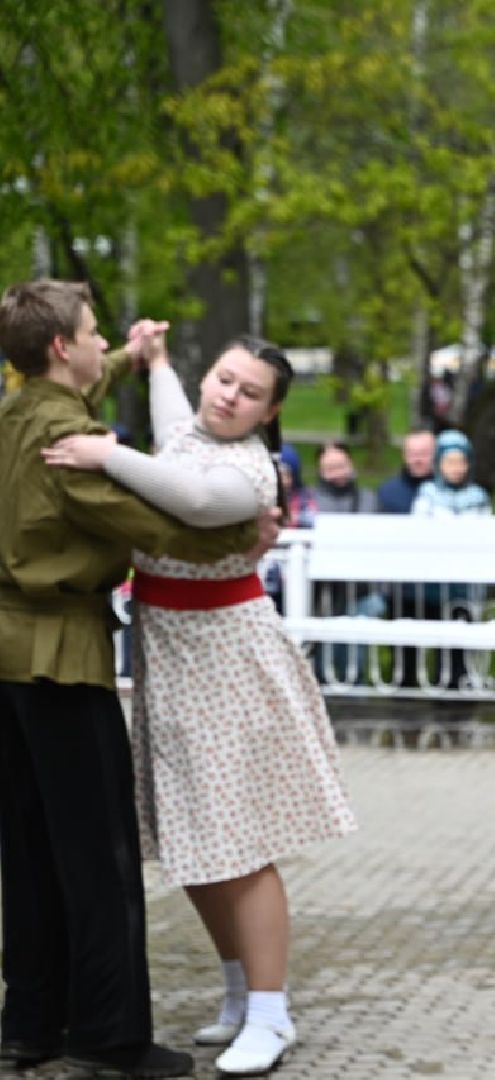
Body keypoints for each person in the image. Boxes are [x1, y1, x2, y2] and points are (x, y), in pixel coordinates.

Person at [42, 330, 358, 1076]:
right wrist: (153, 363)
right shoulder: (189, 433)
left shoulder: (249, 475)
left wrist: (102, 454)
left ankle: (272, 1013)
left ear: (269, 412)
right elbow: (171, 425)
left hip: (227, 657)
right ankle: (240, 991)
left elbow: (185, 495)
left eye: (248, 393)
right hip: (173, 653)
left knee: (239, 845)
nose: (227, 396)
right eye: (222, 378)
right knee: (195, 842)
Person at [0, 282, 266, 1079]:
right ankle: (107, 1038)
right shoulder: (64, 439)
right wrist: (242, 535)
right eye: (92, 332)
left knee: (28, 854)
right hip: (61, 657)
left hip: (6, 663)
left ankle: (29, 1026)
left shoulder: (14, 410)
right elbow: (149, 523)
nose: (97, 342)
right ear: (59, 348)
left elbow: (81, 377)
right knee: (97, 857)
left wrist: (133, 354)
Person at [411, 428, 491, 517]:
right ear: (439, 464)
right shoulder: (428, 494)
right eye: (450, 462)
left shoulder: (478, 496)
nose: (456, 468)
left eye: (461, 462)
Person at [377, 429, 436, 513]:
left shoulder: (449, 492)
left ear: (435, 454)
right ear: (404, 455)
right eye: (412, 454)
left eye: (424, 453)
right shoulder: (387, 493)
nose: (418, 460)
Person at [311, 441, 378, 514]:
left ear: (352, 465)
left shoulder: (370, 499)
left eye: (342, 466)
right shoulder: (308, 502)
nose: (338, 473)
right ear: (320, 472)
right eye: (331, 469)